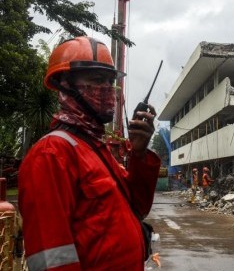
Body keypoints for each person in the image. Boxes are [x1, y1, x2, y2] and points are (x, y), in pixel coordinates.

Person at [18, 36, 161, 270]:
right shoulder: (51, 154)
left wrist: (140, 153)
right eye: (96, 80)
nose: (107, 90)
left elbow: (138, 207)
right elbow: (53, 258)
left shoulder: (95, 148)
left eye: (109, 81)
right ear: (66, 85)